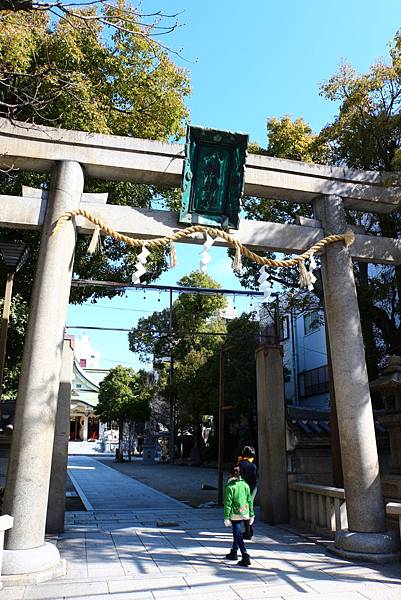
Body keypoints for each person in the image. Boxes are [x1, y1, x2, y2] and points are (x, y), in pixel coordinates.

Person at [223, 465, 254, 567]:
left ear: (231, 474)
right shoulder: (245, 485)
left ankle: (244, 554)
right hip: (245, 511)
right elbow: (250, 500)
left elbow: (228, 503)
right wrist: (252, 514)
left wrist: (226, 517)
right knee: (237, 533)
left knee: (237, 533)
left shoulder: (230, 486)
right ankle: (234, 552)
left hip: (235, 513)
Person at [237, 446, 257, 539]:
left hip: (244, 489)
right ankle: (249, 531)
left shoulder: (240, 464)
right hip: (253, 488)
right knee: (248, 509)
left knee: (244, 510)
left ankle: (248, 532)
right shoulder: (253, 464)